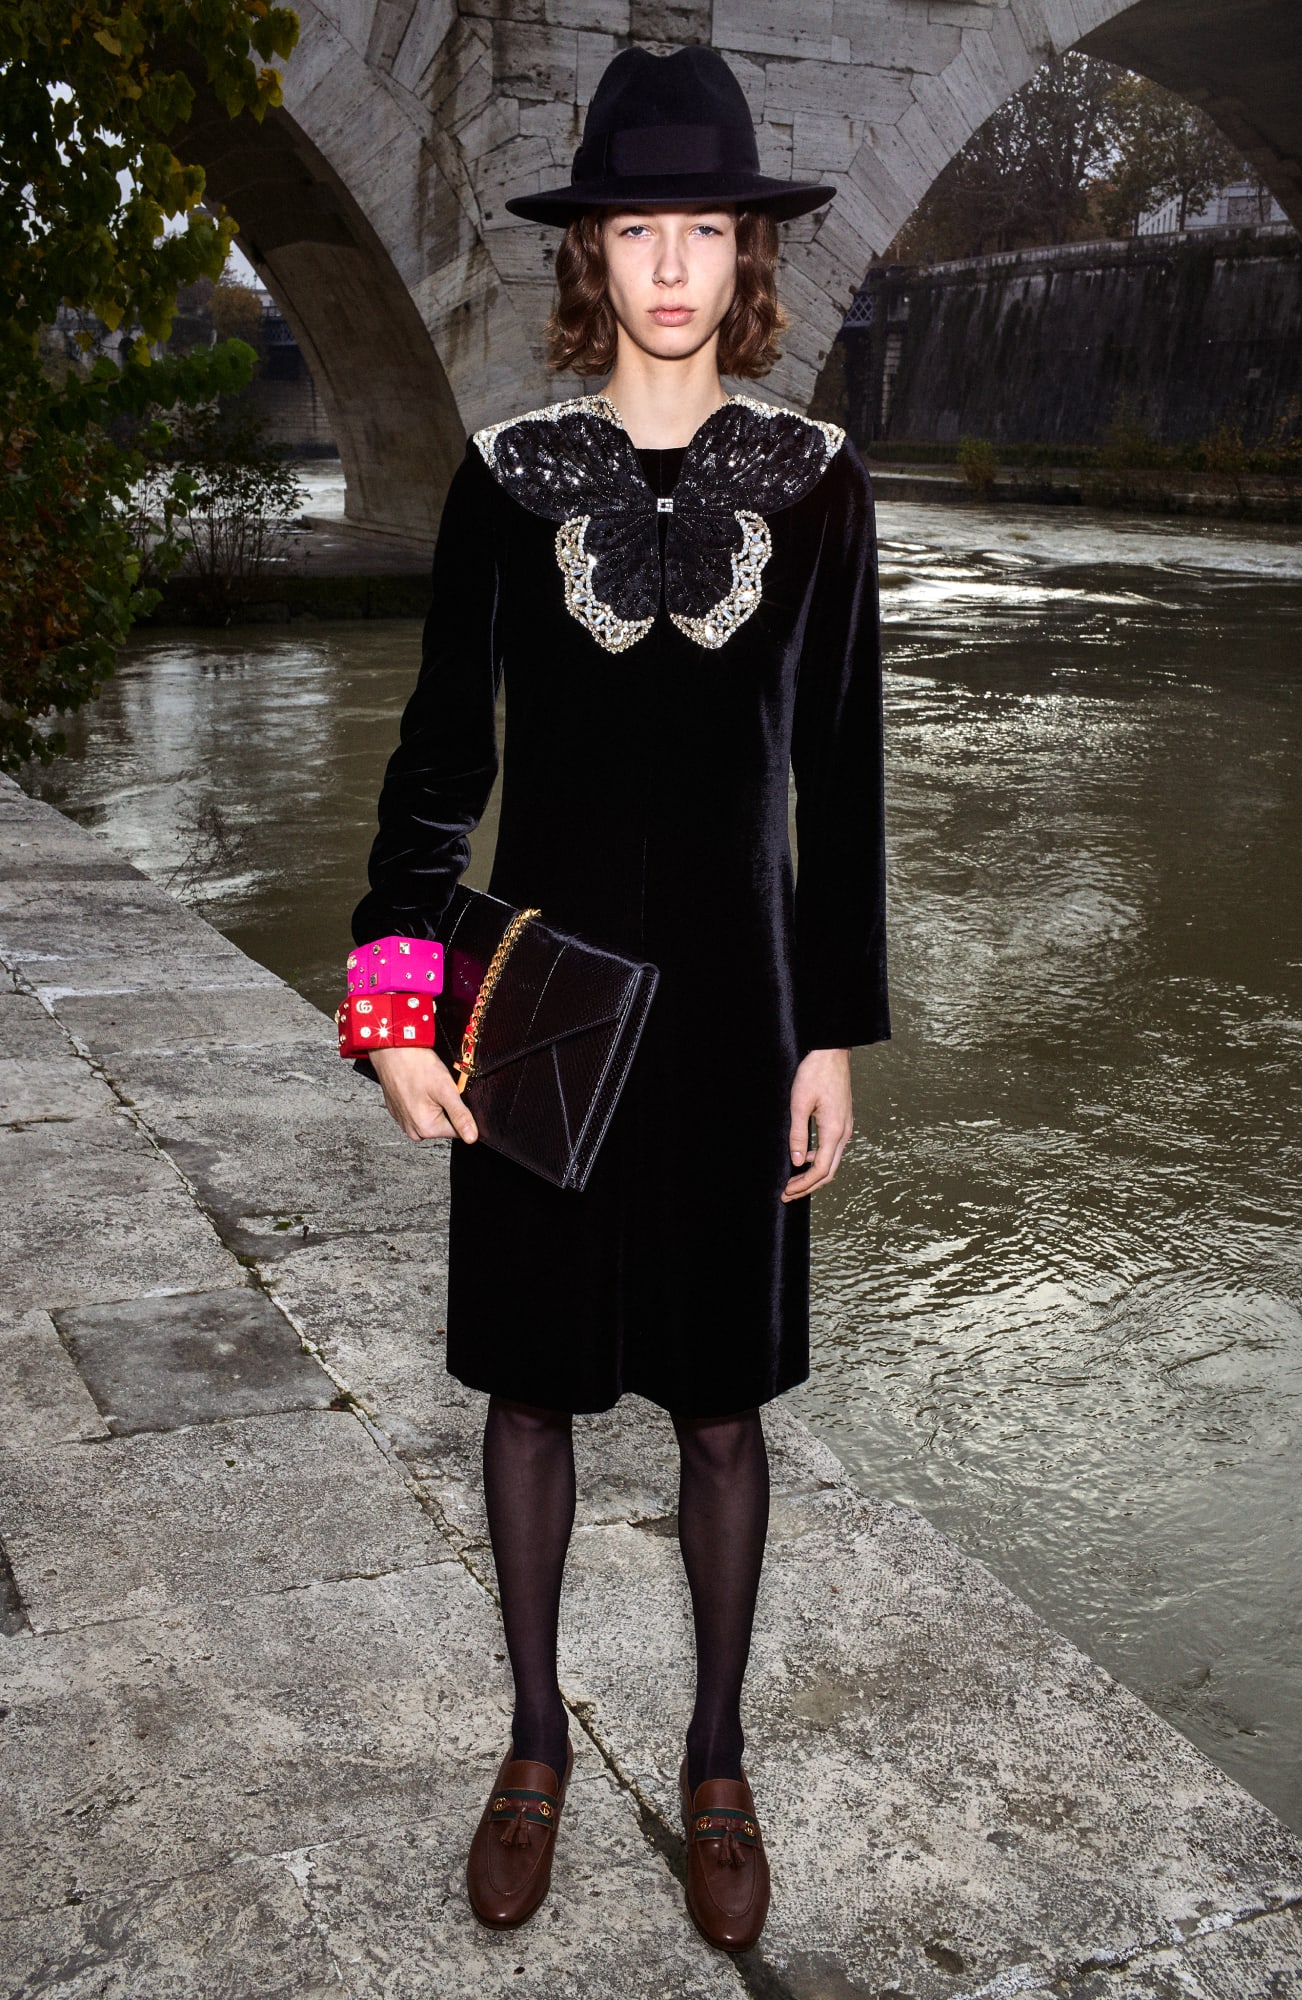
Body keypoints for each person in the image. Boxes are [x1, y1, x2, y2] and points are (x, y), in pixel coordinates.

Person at [347, 43, 890, 1954]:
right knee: (530, 1394)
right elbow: (436, 767)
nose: (672, 264)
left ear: (748, 254)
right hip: (541, 1018)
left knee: (723, 1416)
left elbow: (843, 784)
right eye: (639, 228)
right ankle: (530, 1749)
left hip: (740, 1023)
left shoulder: (819, 489)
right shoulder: (506, 482)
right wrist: (395, 1014)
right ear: (592, 253)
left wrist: (831, 1036)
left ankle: (716, 1761)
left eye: (705, 229)